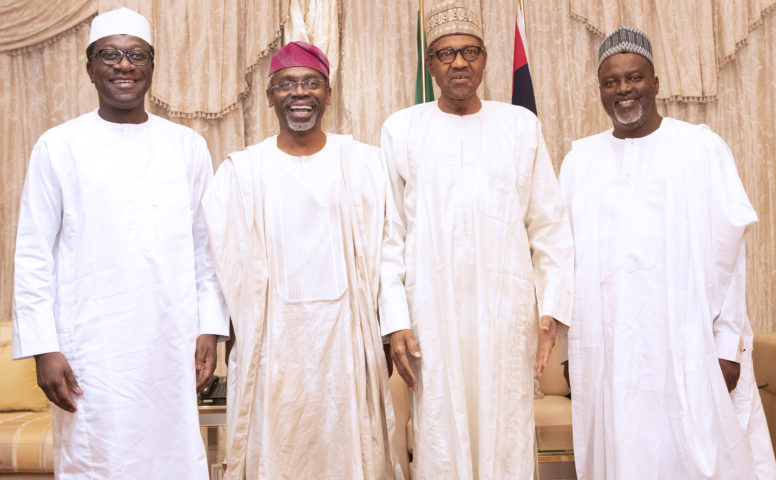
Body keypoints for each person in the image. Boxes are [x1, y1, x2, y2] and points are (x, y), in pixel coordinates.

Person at [11, 7, 229, 479]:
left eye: (136, 55)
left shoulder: (186, 146)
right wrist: (43, 347)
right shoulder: (58, 145)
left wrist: (209, 328)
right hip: (92, 347)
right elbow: (33, 254)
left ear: (152, 66)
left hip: (168, 344)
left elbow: (205, 248)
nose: (123, 65)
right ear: (90, 67)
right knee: (98, 461)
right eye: (110, 54)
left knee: (173, 459)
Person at [560, 26, 776, 480]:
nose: (623, 90)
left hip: (690, 348)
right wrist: (569, 351)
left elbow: (730, 256)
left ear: (656, 82)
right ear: (600, 89)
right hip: (612, 354)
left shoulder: (700, 148)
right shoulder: (580, 162)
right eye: (610, 81)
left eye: (634, 77)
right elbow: (565, 261)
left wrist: (728, 344)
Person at [379, 1, 574, 477]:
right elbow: (388, 236)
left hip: (504, 316)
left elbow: (548, 225)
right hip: (432, 316)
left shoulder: (520, 126)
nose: (459, 63)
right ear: (430, 64)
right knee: (441, 434)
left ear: (485, 58)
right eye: (446, 54)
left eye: (470, 52)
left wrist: (551, 310)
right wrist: (396, 320)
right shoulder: (401, 129)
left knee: (505, 430)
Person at [202, 41, 397, 479]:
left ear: (329, 93)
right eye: (286, 84)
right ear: (270, 95)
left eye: (311, 83)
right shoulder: (242, 173)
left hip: (346, 345)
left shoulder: (365, 165)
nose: (299, 93)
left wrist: (388, 332)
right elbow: (217, 264)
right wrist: (215, 336)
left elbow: (389, 252)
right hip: (272, 349)